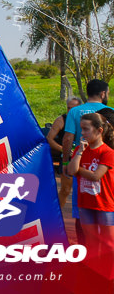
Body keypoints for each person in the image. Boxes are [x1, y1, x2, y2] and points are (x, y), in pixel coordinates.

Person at [63, 79, 109, 237]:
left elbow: (68, 138)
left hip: (80, 159)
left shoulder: (75, 111)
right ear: (103, 93)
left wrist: (66, 162)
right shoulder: (110, 111)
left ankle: (84, 247)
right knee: (106, 202)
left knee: (80, 205)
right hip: (105, 163)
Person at [68, 112, 114, 259]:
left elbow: (96, 176)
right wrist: (80, 152)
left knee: (108, 243)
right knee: (91, 243)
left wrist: (79, 170)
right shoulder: (80, 151)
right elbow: (70, 171)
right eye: (81, 129)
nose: (82, 133)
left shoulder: (108, 152)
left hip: (105, 205)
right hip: (85, 204)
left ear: (99, 130)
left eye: (86, 129)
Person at [48, 97, 81, 210]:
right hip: (67, 158)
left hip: (82, 158)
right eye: (68, 108)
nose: (70, 111)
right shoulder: (62, 119)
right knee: (66, 190)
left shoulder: (85, 120)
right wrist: (64, 149)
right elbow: (49, 139)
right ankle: (56, 215)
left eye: (73, 108)